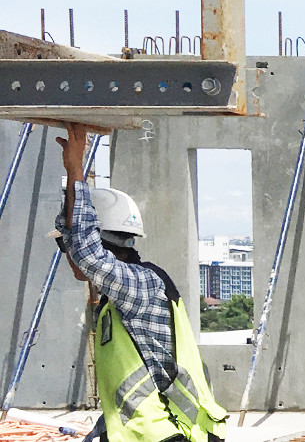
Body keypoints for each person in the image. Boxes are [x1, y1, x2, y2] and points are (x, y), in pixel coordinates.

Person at [53, 124, 228, 442]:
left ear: (100, 239)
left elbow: (89, 257)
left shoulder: (141, 285)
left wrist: (75, 167)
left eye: (70, 246)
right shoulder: (119, 298)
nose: (71, 256)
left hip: (169, 434)